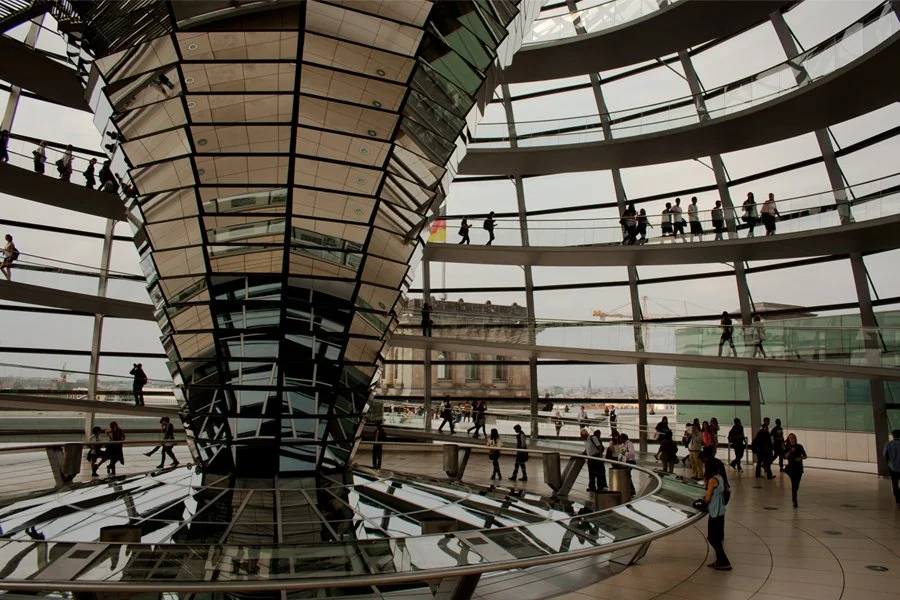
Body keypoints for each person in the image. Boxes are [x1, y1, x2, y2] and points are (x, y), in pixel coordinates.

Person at [702, 456, 732, 570]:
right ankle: (720, 560)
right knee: (717, 537)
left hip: (714, 511)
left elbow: (708, 498)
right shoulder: (720, 478)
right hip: (721, 511)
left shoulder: (712, 480)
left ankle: (724, 561)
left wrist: (703, 502)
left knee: (712, 537)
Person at [782, 433, 806, 507]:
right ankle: (794, 500)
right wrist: (790, 451)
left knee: (797, 484)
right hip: (791, 468)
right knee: (794, 483)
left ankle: (794, 495)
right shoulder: (787, 447)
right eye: (790, 438)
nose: (792, 439)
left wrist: (800, 458)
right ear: (788, 439)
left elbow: (805, 455)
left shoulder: (799, 446)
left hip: (799, 467)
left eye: (793, 438)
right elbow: (785, 457)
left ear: (795, 438)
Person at [884, 429, 900, 506]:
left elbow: (885, 455)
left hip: (892, 467)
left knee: (895, 482)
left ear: (893, 435)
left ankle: (897, 499)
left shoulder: (889, 444)